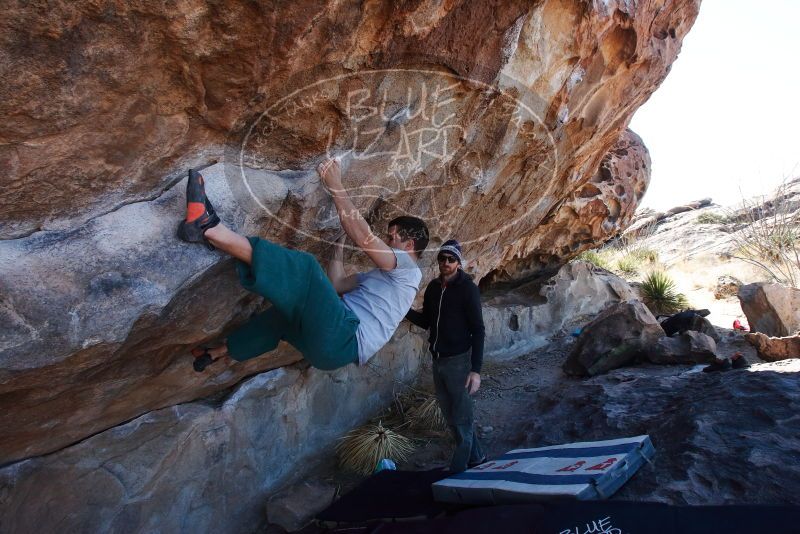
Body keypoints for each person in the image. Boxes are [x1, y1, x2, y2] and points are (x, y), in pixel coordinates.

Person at [179, 158, 428, 371]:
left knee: (306, 269)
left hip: (345, 337)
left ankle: (208, 227)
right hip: (331, 352)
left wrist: (335, 184)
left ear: (410, 244)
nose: (387, 240)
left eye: (393, 236)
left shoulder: (409, 270)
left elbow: (364, 237)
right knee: (283, 316)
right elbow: (337, 284)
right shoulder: (389, 281)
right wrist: (338, 248)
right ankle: (218, 352)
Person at [405, 240, 486, 472]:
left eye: (451, 259)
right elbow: (426, 321)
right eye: (442, 258)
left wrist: (476, 370)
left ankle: (458, 470)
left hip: (459, 361)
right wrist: (405, 309)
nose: (446, 263)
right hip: (438, 359)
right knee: (450, 414)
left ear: (459, 263)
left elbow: (478, 330)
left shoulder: (467, 289)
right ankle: (477, 457)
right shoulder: (432, 288)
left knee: (462, 417)